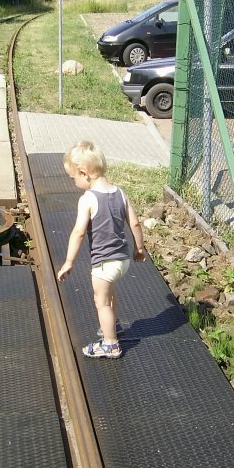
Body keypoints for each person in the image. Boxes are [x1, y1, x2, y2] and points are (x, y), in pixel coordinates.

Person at [57, 141, 146, 359]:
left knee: (101, 302)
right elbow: (134, 223)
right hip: (122, 260)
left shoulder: (88, 199)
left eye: (73, 178)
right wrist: (140, 248)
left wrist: (69, 262)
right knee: (111, 294)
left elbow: (78, 232)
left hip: (104, 264)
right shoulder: (120, 193)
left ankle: (110, 344)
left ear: (84, 173)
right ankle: (113, 326)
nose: (74, 182)